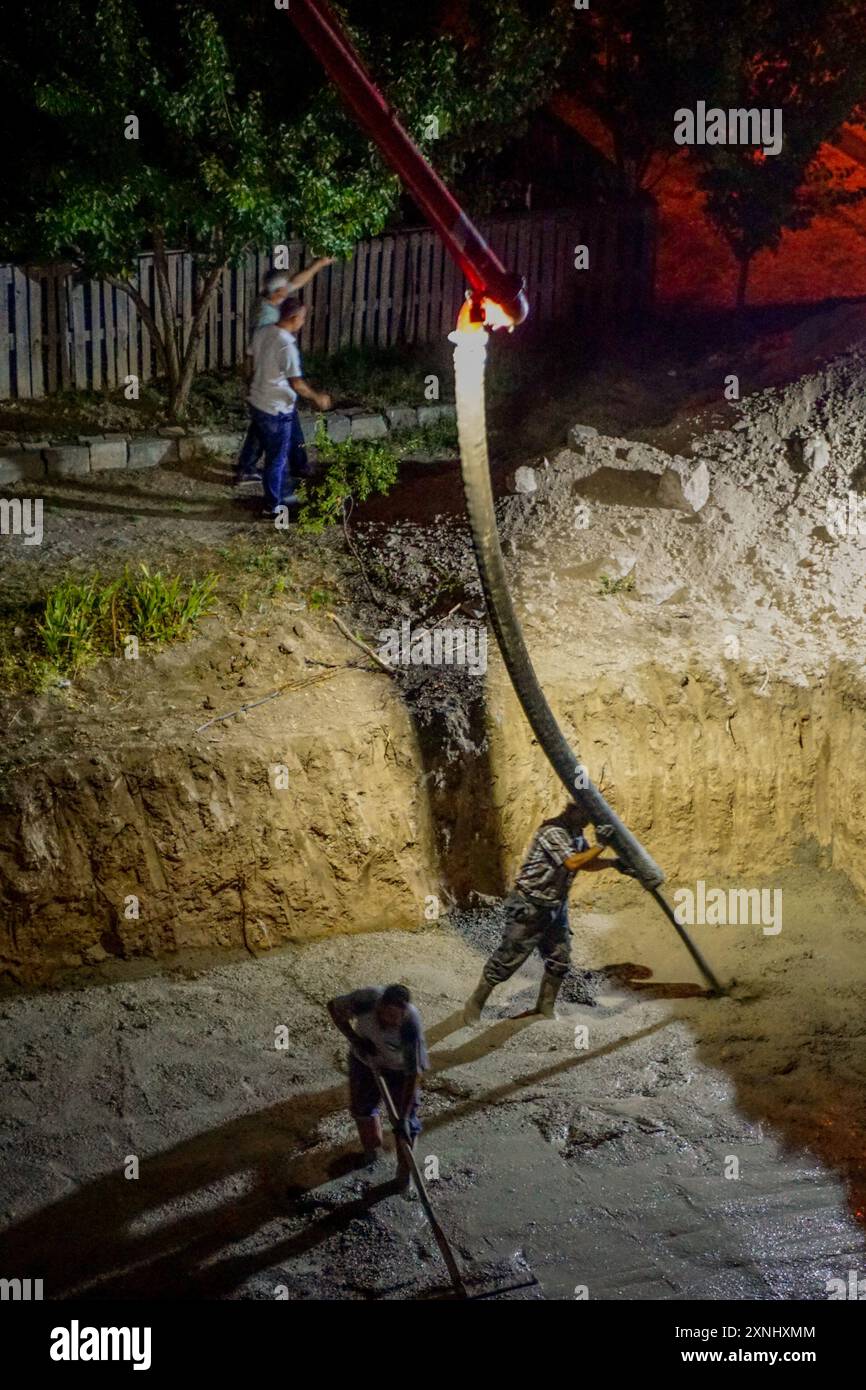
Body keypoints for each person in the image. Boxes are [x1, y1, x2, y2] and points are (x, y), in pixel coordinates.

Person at [463, 802, 635, 1023]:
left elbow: (585, 863)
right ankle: (474, 1005)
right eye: (586, 816)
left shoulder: (575, 833)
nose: (588, 822)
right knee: (507, 960)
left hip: (555, 906)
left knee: (560, 959)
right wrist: (601, 844)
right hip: (530, 905)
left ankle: (544, 1008)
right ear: (573, 810)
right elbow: (573, 863)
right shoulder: (552, 831)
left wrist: (613, 863)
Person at [235, 257, 334, 486]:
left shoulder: (272, 298)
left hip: (267, 383)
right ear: (279, 291)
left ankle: (251, 467)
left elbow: (298, 281)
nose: (290, 290)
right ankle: (283, 483)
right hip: (272, 380)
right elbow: (259, 353)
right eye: (285, 288)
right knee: (278, 423)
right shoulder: (267, 318)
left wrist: (319, 263)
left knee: (264, 423)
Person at [327, 983, 428, 1185]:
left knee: (407, 1126)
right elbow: (334, 1007)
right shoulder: (366, 999)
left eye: (395, 1018)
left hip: (400, 1071)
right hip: (365, 1062)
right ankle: (371, 1150)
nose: (389, 1022)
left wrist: (404, 1118)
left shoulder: (410, 1026)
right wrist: (355, 1039)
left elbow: (413, 1073)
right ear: (379, 1005)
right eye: (385, 1014)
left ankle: (404, 1173)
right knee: (362, 1109)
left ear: (404, 1014)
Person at [240, 297, 332, 517]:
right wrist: (317, 398)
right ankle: (275, 505)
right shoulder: (286, 345)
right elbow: (296, 383)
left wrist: (251, 383)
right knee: (277, 458)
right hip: (276, 409)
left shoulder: (263, 332)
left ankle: (270, 486)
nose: (303, 322)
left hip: (259, 402)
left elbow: (247, 360)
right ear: (293, 317)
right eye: (302, 318)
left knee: (265, 445)